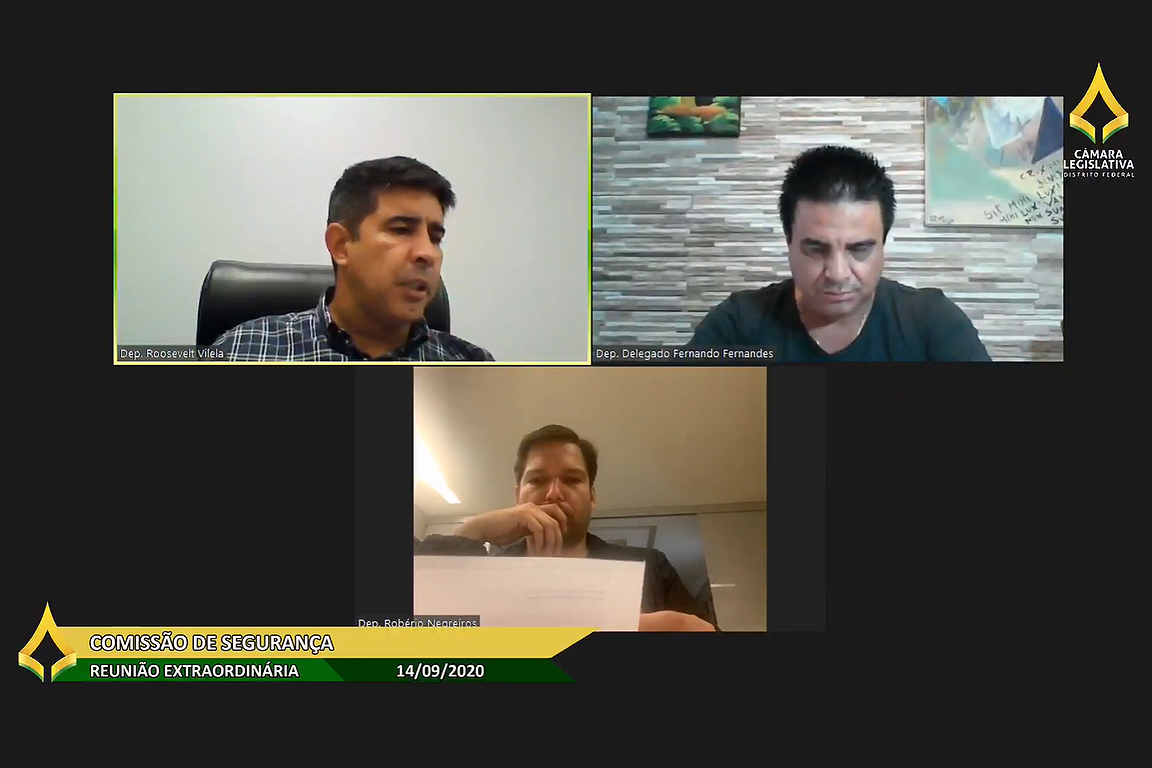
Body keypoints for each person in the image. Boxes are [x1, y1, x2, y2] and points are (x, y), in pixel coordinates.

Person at [687, 145, 992, 362]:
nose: (837, 273)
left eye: (859, 249)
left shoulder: (931, 322)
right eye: (816, 249)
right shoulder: (739, 324)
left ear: (883, 246)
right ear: (789, 242)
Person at [416, 424, 718, 632]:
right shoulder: (484, 571)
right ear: (517, 497)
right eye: (537, 480)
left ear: (592, 497)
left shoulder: (650, 566)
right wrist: (472, 530)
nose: (553, 493)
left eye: (572, 480)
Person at [211, 156, 494, 361]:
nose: (427, 253)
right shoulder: (241, 351)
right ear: (341, 245)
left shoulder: (472, 366)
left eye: (435, 237)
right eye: (402, 230)